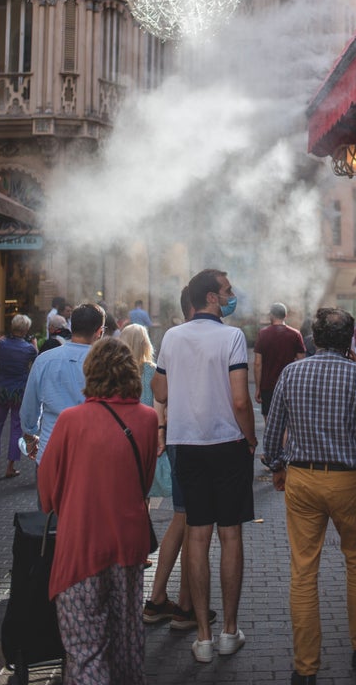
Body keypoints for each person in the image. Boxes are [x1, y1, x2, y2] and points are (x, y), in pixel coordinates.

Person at [263, 306, 356, 685]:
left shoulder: (292, 372)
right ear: (350, 340)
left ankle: (305, 668)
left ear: (316, 339)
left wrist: (275, 467)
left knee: (304, 570)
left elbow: (273, 435)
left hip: (302, 478)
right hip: (348, 480)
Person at [38, 335, 158, 685]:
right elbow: (145, 482)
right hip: (128, 542)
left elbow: (47, 494)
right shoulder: (148, 419)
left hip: (81, 544)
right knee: (126, 638)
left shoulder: (70, 421)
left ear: (91, 372)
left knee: (86, 646)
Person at [152, 268, 256, 664]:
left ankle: (202, 637)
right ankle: (229, 631)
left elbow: (159, 390)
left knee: (197, 535)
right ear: (212, 298)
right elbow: (241, 400)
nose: (232, 296)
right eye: (227, 291)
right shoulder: (231, 337)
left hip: (187, 444)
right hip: (227, 444)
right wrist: (250, 439)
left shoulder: (172, 337)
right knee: (230, 537)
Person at [143, 285, 216, 632]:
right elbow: (162, 392)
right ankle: (183, 606)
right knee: (193, 522)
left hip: (177, 438)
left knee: (184, 519)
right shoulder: (198, 338)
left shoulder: (172, 339)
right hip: (195, 442)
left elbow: (160, 394)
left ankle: (162, 599)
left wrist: (160, 431)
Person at [20, 302, 106, 464]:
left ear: (72, 327)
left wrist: (29, 436)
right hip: (91, 456)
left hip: (51, 452)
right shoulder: (107, 363)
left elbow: (30, 406)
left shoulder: (44, 360)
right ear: (99, 332)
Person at [120, 323, 172, 501]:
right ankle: (143, 525)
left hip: (120, 437)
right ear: (145, 344)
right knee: (144, 492)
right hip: (146, 436)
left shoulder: (116, 373)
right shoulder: (153, 371)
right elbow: (162, 403)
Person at [0, 314, 37, 478]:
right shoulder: (28, 349)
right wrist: (34, 345)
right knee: (15, 428)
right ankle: (10, 467)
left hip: (1, 388)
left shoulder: (2, 344)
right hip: (18, 391)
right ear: (26, 329)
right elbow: (37, 362)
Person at [254, 302, 305, 418]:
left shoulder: (263, 334)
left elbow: (257, 364)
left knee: (269, 419)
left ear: (271, 315)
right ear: (285, 316)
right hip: (288, 385)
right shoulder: (295, 334)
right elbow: (301, 362)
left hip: (267, 386)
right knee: (287, 421)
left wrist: (258, 388)